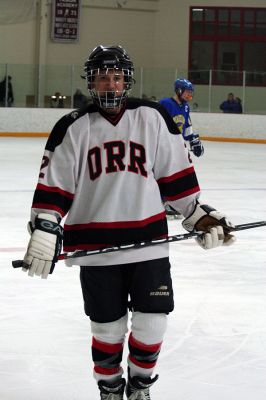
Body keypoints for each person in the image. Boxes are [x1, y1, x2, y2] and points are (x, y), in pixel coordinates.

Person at [20, 45, 236, 400]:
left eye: (116, 77)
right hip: (96, 249)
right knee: (107, 329)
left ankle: (139, 388)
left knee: (153, 322)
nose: (110, 85)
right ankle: (109, 388)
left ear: (126, 81)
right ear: (91, 82)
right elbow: (54, 187)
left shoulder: (152, 118)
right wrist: (45, 225)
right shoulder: (72, 128)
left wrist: (197, 215)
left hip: (148, 242)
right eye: (102, 77)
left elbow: (174, 177)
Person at [159, 78, 204, 219]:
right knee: (164, 173)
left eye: (191, 93)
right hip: (164, 145)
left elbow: (186, 126)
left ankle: (176, 201)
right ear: (178, 91)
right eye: (187, 93)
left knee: (183, 172)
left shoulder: (185, 107)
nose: (189, 96)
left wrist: (194, 140)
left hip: (178, 145)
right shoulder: (165, 104)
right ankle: (162, 202)